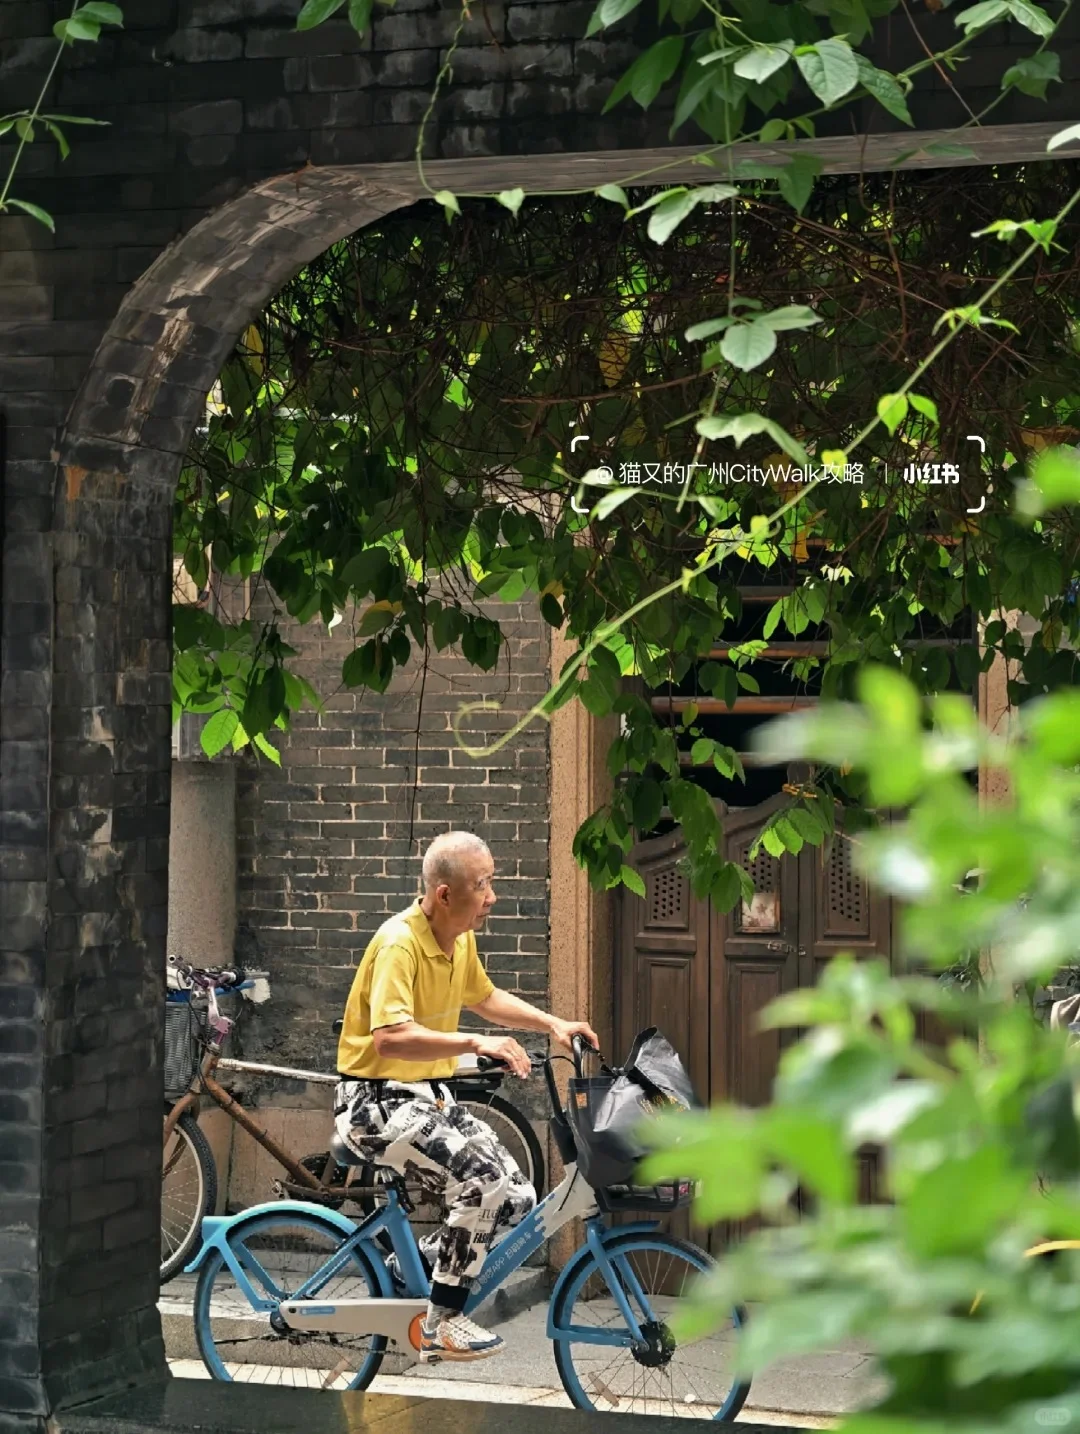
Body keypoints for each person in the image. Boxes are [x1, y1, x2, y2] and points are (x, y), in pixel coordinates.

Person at [334, 830, 599, 1364]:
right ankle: (441, 1321)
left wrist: (553, 1023)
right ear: (444, 894)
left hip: (424, 1097)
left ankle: (418, 1267)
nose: (492, 897)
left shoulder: (459, 941)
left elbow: (485, 996)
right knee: (482, 1184)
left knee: (520, 1200)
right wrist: (475, 1042)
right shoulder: (399, 944)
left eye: (491, 882)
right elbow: (389, 1037)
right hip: (374, 1104)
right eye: (482, 885)